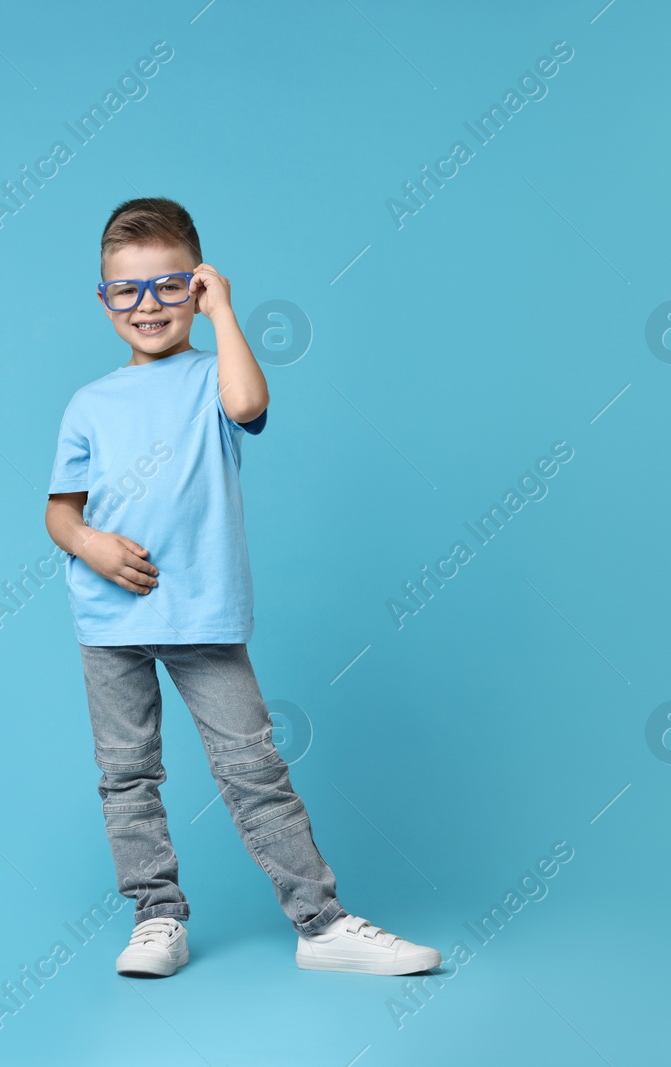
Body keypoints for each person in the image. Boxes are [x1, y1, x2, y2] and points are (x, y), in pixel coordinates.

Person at [44, 197, 440, 978]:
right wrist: (90, 543)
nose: (147, 305)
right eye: (127, 290)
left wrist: (225, 313)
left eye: (170, 285)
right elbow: (61, 513)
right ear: (103, 301)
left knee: (252, 767)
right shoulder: (88, 404)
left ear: (197, 285)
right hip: (108, 619)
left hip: (202, 613)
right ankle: (156, 916)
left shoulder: (212, 379)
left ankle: (320, 922)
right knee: (127, 774)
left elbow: (249, 403)